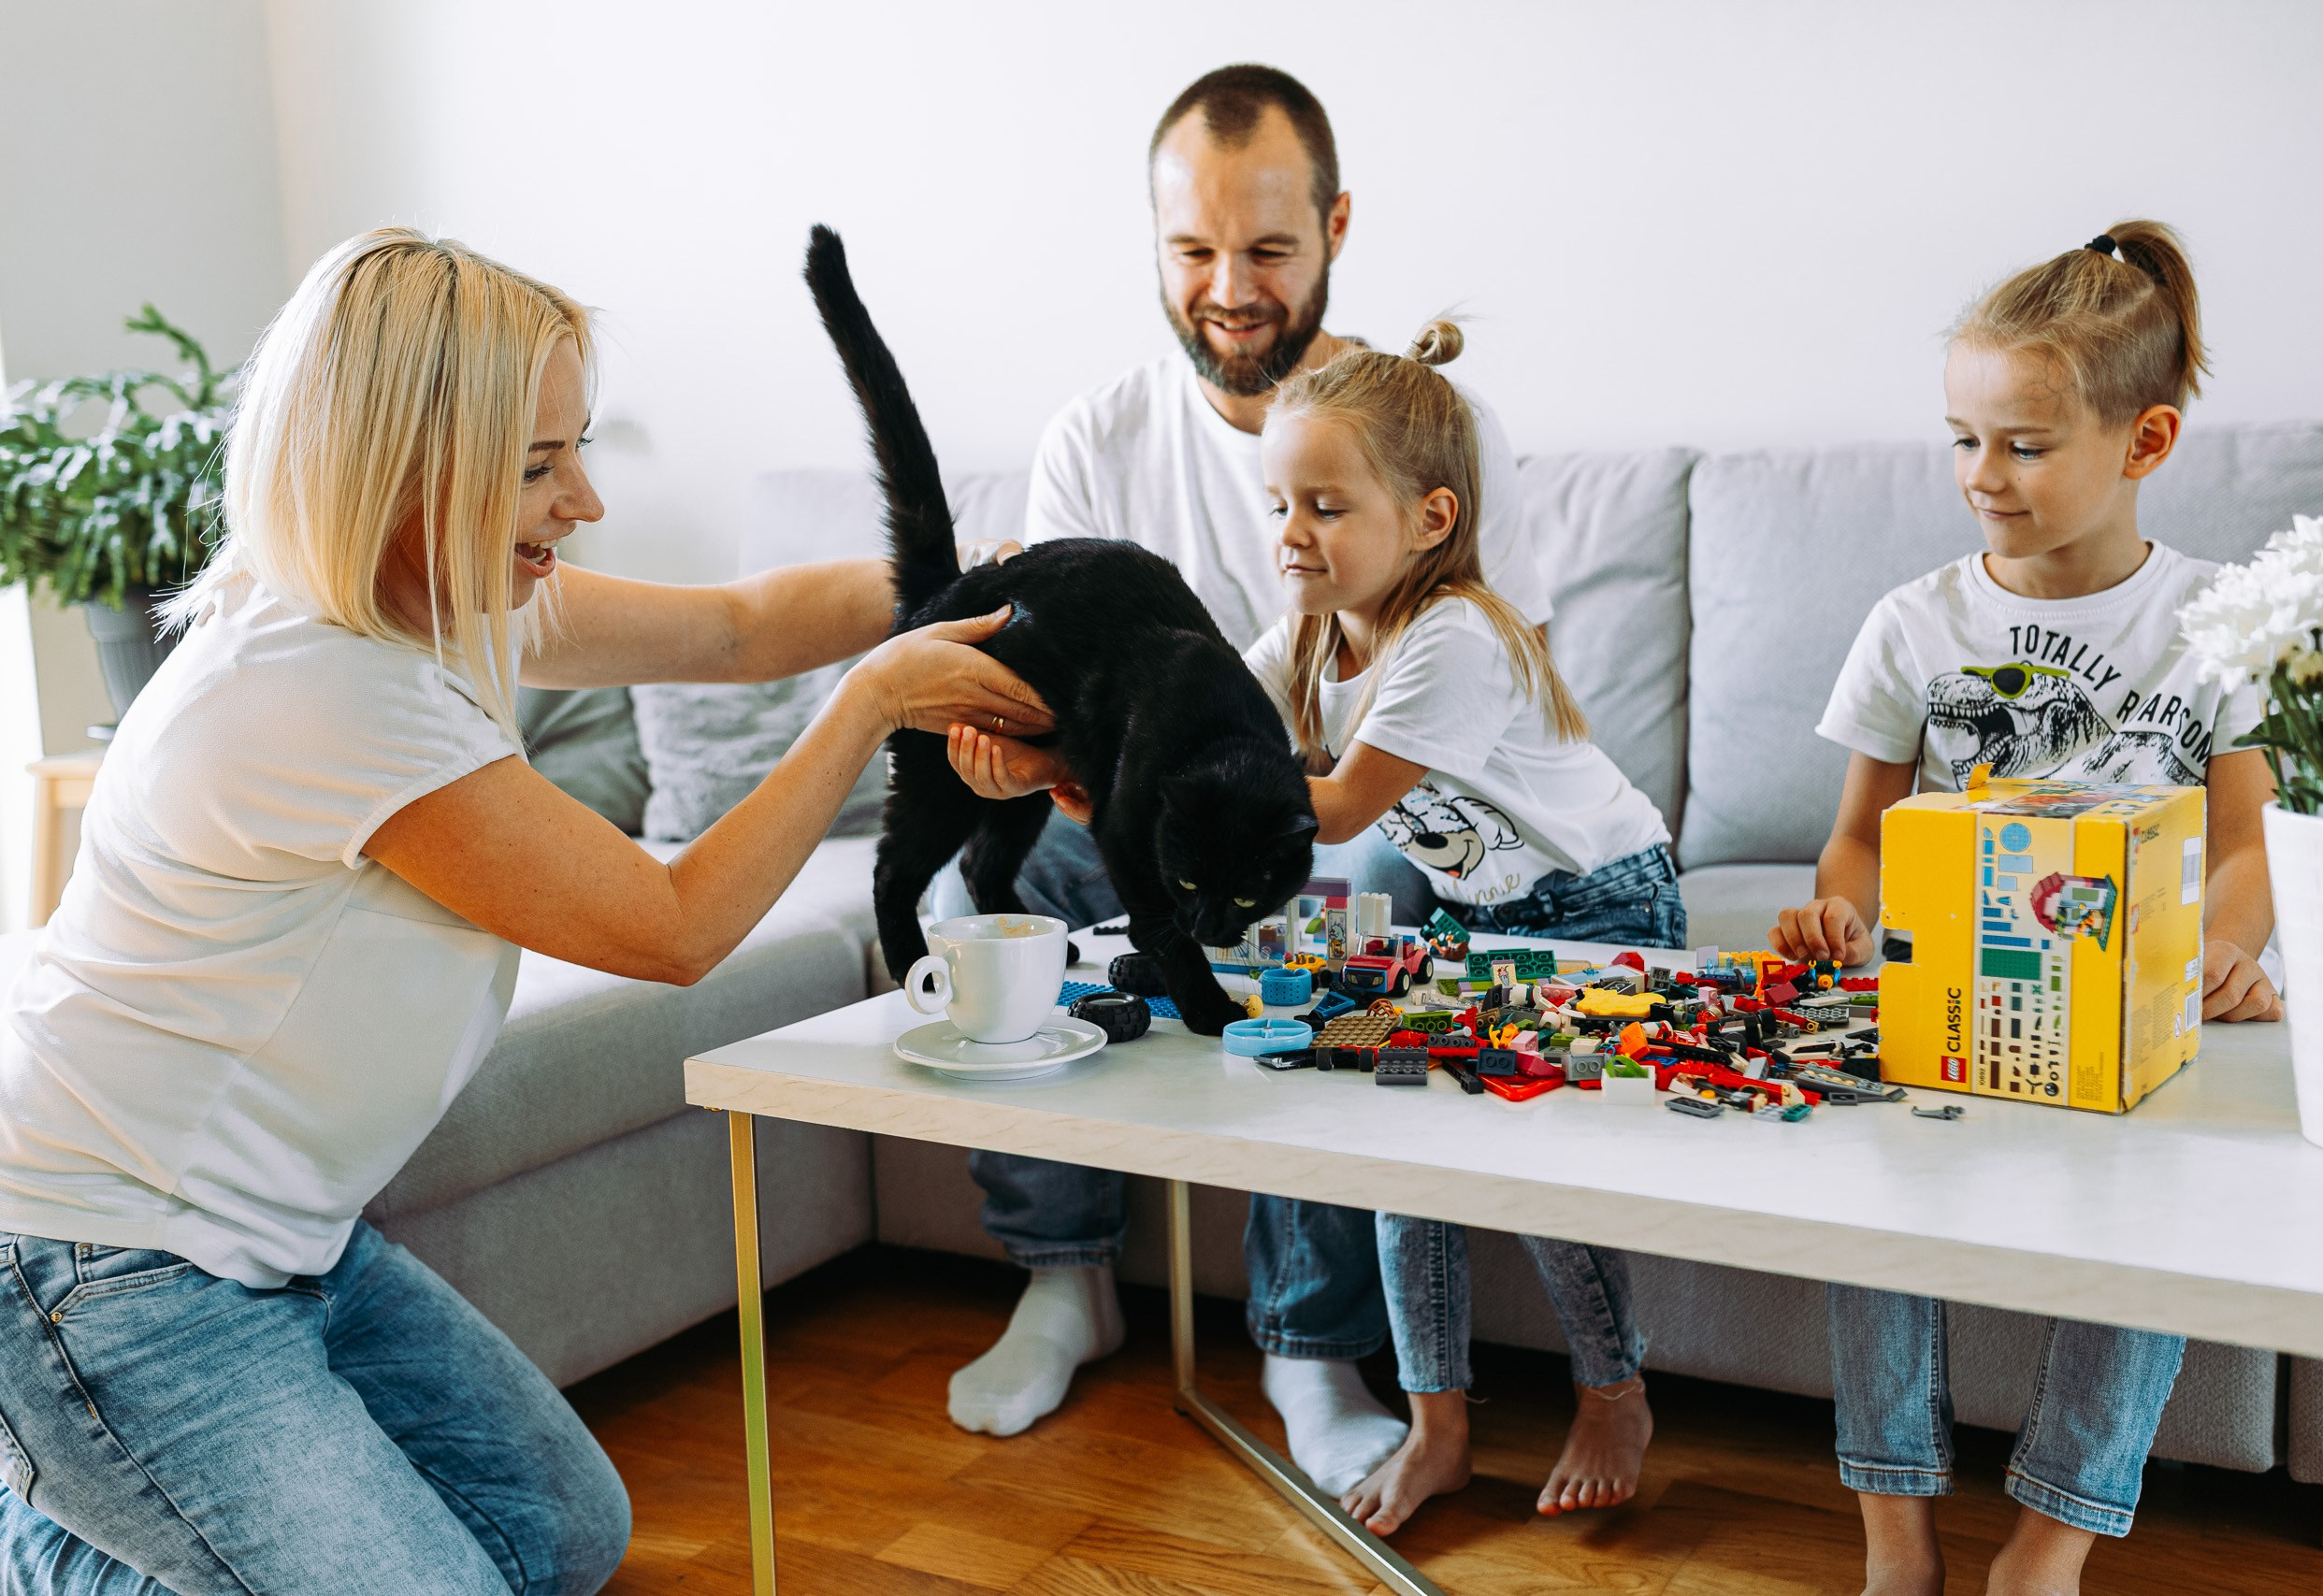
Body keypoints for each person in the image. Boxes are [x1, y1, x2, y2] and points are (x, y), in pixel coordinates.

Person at [0, 228, 1049, 1594]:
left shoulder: (441, 599)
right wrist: (870, 706)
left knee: (556, 1538)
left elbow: (740, 628)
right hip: (103, 1267)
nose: (588, 501)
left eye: (577, 449)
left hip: (287, 1248)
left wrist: (991, 586)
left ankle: (97, 1499)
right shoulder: (326, 686)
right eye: (539, 468)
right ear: (399, 472)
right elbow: (670, 927)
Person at [935, 65, 1552, 1498]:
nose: (1230, 287)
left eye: (1269, 249)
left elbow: (1469, 695)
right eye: (1194, 250)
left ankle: (1305, 1346)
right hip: (1127, 817)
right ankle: (1062, 1279)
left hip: (1339, 822)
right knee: (1007, 883)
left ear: (1337, 226)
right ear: (1152, 243)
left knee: (1359, 902)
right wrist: (1022, 762)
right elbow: (1053, 685)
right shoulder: (1096, 438)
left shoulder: (1429, 435)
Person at [951, 319, 1677, 1533]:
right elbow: (1188, 741)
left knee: (1552, 1173)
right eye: (1281, 505)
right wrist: (1065, 776)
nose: (1291, 537)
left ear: (1431, 520)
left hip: (1602, 903)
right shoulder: (1301, 635)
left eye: (1326, 509)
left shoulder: (1461, 636)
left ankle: (1615, 1393)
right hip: (1482, 915)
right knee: (1394, 1158)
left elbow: (1332, 812)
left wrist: (1151, 776)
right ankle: (1440, 1425)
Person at [1768, 221, 2281, 1596]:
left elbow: (2249, 846)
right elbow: (1858, 842)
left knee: (2162, 1215)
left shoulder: (2219, 624)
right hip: (1956, 998)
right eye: (1962, 439)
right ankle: (1896, 1545)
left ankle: (2047, 1548)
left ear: (2146, 441)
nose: (1980, 478)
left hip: (2136, 1018)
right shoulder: (1912, 624)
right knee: (1870, 1195)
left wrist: (2225, 950)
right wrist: (1841, 916)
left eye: (2024, 446)